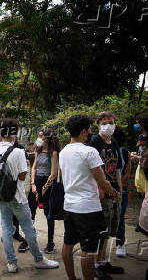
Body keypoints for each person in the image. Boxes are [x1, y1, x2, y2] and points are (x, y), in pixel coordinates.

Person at [0, 118, 59, 273]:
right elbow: (22, 176)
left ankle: (12, 263)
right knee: (29, 229)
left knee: (6, 228)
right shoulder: (18, 152)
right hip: (17, 197)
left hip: (0, 196)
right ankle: (39, 259)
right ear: (14, 133)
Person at [60, 114, 119, 280]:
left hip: (69, 205)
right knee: (88, 249)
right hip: (88, 208)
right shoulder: (89, 151)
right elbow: (102, 180)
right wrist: (114, 192)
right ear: (84, 131)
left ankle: (72, 278)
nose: (91, 132)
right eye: (90, 129)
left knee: (68, 243)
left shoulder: (64, 151)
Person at [87, 111, 124, 278]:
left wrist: (120, 188)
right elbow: (92, 168)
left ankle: (103, 262)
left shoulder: (114, 143)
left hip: (115, 191)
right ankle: (96, 265)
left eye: (111, 122)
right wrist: (100, 189)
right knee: (101, 229)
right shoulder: (94, 142)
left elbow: (116, 168)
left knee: (110, 229)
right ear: (98, 125)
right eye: (104, 122)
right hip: (101, 192)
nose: (108, 125)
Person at [29, 128, 61, 254]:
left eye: (41, 136)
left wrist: (43, 189)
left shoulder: (53, 153)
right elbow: (34, 167)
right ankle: (29, 238)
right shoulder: (38, 150)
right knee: (30, 212)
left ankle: (50, 242)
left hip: (47, 185)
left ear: (47, 138)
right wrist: (33, 185)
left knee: (49, 214)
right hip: (36, 183)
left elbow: (53, 174)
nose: (39, 138)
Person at [113, 126, 131, 258]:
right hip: (106, 188)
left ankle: (120, 243)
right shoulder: (103, 150)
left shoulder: (124, 152)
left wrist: (120, 187)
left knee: (120, 216)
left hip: (122, 190)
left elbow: (127, 172)